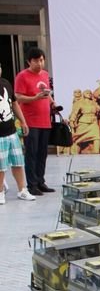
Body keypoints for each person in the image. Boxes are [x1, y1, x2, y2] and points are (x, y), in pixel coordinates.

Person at [14, 46, 56, 195]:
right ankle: (32, 185)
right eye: (36, 61)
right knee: (32, 153)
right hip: (30, 121)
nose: (40, 63)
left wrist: (52, 103)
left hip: (45, 120)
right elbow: (18, 97)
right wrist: (34, 98)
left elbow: (47, 93)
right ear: (29, 61)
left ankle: (40, 181)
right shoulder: (22, 76)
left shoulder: (45, 74)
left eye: (42, 60)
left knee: (43, 153)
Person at [0, 63, 34, 203]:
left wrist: (23, 121)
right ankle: (0, 192)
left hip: (11, 131)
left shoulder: (6, 83)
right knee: (1, 166)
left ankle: (22, 190)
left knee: (18, 163)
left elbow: (14, 104)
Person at [70, 89, 100, 153]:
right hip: (83, 123)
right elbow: (75, 113)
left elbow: (99, 109)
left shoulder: (94, 103)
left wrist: (96, 101)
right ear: (84, 94)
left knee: (97, 136)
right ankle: (75, 153)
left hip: (93, 122)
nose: (89, 94)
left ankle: (97, 153)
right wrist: (71, 121)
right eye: (87, 93)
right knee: (78, 139)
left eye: (90, 93)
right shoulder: (80, 103)